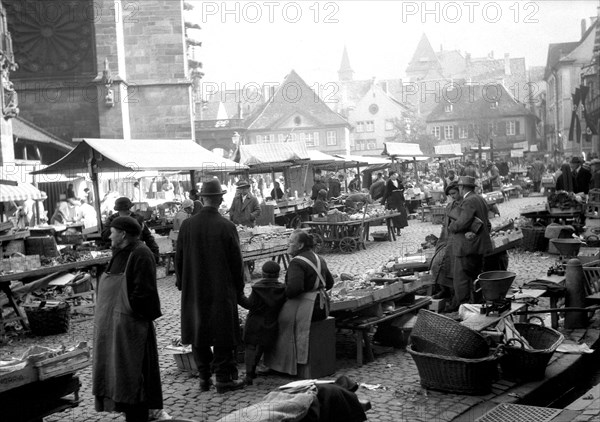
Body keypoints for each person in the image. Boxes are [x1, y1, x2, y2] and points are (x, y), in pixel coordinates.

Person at [175, 179, 246, 394]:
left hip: (194, 289)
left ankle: (204, 378)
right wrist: (239, 289)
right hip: (220, 289)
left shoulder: (187, 225)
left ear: (202, 199)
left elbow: (179, 259)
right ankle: (223, 379)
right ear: (220, 200)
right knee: (223, 333)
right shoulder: (227, 226)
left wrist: (182, 283)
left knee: (199, 333)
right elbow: (237, 262)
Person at [93, 216, 163, 422]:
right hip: (113, 330)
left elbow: (145, 295)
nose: (109, 235)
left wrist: (127, 315)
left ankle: (137, 417)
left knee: (134, 378)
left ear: (123, 234)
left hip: (130, 331)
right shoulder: (120, 253)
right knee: (118, 376)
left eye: (113, 231)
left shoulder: (141, 254)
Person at [264, 230, 334, 376]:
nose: (288, 245)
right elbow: (330, 283)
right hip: (321, 306)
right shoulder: (319, 258)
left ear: (300, 245)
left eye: (291, 242)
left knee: (279, 322)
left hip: (308, 309)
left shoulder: (297, 262)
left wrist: (282, 293)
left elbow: (294, 289)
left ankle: (283, 365)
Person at [447, 176, 493, 311]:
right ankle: (478, 305)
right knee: (477, 277)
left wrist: (451, 227)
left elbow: (463, 222)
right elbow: (487, 223)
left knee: (461, 279)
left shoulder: (468, 201)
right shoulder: (480, 198)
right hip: (479, 246)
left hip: (468, 247)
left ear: (461, 187)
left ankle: (465, 308)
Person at [237, 261, 286, 385]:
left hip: (254, 323)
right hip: (271, 322)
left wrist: (239, 295)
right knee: (261, 346)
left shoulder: (258, 289)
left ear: (263, 274)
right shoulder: (282, 289)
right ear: (278, 274)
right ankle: (253, 370)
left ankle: (249, 374)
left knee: (251, 346)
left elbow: (249, 304)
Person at [429, 181, 462, 301]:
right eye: (450, 194)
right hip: (445, 238)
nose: (452, 196)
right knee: (436, 264)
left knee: (452, 267)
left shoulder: (464, 204)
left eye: (454, 193)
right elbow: (445, 223)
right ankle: (444, 290)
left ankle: (454, 294)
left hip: (457, 240)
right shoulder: (450, 205)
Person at [102, 197, 160, 263]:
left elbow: (148, 237)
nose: (127, 211)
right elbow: (104, 236)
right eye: (123, 210)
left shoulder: (137, 218)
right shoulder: (112, 219)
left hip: (135, 252)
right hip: (118, 253)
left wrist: (155, 255)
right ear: (119, 210)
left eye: (127, 209)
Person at [381, 171, 408, 236]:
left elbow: (402, 189)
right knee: (393, 215)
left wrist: (401, 194)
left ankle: (399, 230)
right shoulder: (388, 183)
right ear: (390, 176)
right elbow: (386, 193)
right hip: (392, 201)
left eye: (395, 174)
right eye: (393, 175)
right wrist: (383, 201)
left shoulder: (399, 182)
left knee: (400, 215)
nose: (394, 176)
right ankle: (393, 228)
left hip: (399, 200)